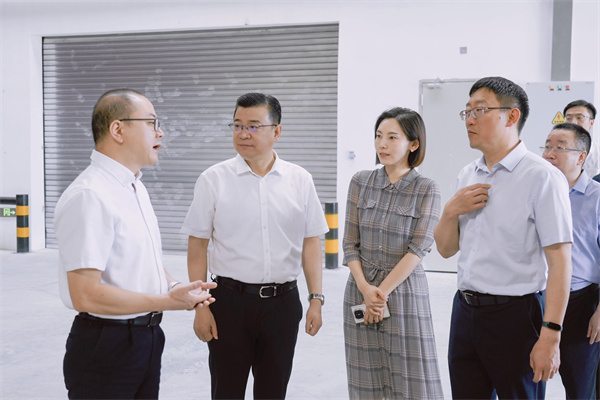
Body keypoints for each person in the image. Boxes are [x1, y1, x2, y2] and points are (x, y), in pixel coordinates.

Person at [54, 88, 216, 399]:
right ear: (118, 130)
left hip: (145, 338)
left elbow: (138, 259)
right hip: (106, 345)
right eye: (151, 122)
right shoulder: (90, 195)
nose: (160, 132)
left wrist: (176, 287)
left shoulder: (133, 186)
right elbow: (85, 295)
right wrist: (167, 301)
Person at [182, 92, 329, 399]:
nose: (243, 134)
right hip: (228, 304)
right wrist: (200, 306)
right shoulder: (213, 179)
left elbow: (311, 242)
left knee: (273, 392)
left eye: (253, 126)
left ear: (277, 131)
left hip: (282, 305)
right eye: (237, 125)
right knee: (226, 391)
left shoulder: (299, 179)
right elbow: (197, 247)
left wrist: (315, 298)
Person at [434, 76, 573, 399]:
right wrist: (450, 211)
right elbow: (445, 249)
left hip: (516, 316)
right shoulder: (468, 174)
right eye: (467, 111)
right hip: (465, 311)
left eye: (479, 110)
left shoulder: (542, 177)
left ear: (512, 116)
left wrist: (551, 334)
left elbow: (560, 261)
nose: (469, 120)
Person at [342, 107, 444, 399]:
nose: (382, 144)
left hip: (404, 291)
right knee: (365, 376)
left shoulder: (427, 189)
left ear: (414, 144)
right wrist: (366, 290)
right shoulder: (360, 182)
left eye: (392, 137)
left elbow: (419, 248)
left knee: (413, 379)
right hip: (361, 290)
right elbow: (349, 244)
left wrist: (380, 294)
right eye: (378, 136)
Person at [541, 122, 600, 399]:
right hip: (536, 300)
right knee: (527, 380)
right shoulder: (539, 192)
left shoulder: (596, 198)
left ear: (581, 157)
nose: (549, 154)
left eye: (560, 148)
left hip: (581, 305)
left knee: (580, 388)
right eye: (547, 147)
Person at [563, 100, 598, 179]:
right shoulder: (555, 152)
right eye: (568, 118)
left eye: (579, 118)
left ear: (591, 123)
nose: (573, 122)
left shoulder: (598, 153)